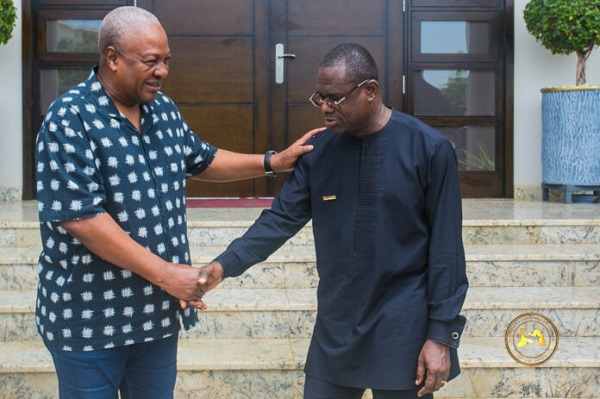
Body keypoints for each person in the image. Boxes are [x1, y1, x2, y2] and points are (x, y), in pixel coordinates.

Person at [34, 6, 321, 399]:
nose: (163, 71)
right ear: (113, 58)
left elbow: (201, 159)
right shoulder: (69, 118)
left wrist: (273, 161)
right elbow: (83, 219)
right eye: (151, 62)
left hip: (156, 316)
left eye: (167, 60)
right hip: (91, 321)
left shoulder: (162, 109)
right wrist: (168, 275)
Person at [194, 43, 469, 399]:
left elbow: (447, 250)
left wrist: (440, 335)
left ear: (370, 91)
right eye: (319, 97)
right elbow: (278, 221)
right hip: (338, 323)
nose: (325, 107)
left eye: (335, 98)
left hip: (405, 326)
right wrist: (222, 266)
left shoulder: (429, 149)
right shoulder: (318, 152)